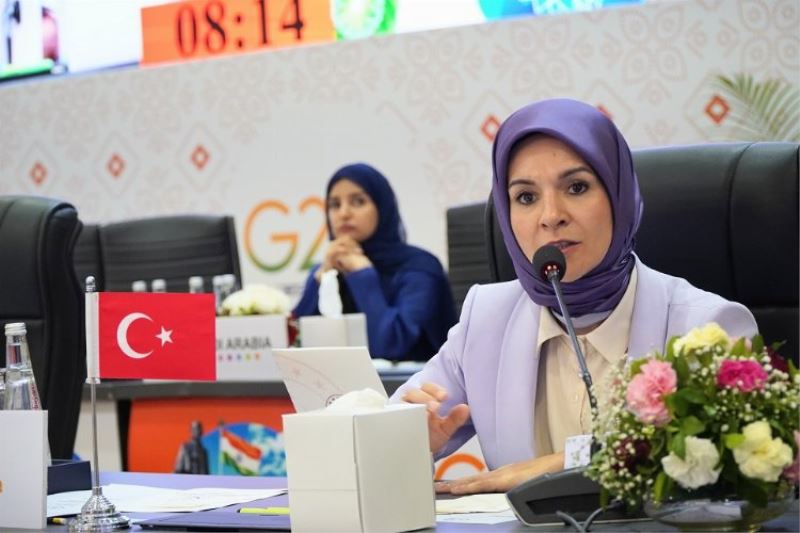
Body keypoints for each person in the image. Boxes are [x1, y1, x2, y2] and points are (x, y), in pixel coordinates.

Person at [391, 98, 757, 494]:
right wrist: (411, 437)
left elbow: (738, 465)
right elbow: (381, 436)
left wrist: (568, 462)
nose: (551, 215)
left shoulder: (706, 326)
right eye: (526, 197)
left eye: (577, 187)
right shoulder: (485, 319)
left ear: (619, 197)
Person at [293, 163, 457, 361]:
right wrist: (320, 280)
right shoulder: (328, 269)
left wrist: (363, 275)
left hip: (412, 380)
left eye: (358, 202)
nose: (344, 213)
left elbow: (389, 347)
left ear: (382, 207)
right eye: (335, 205)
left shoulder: (420, 268)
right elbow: (293, 346)